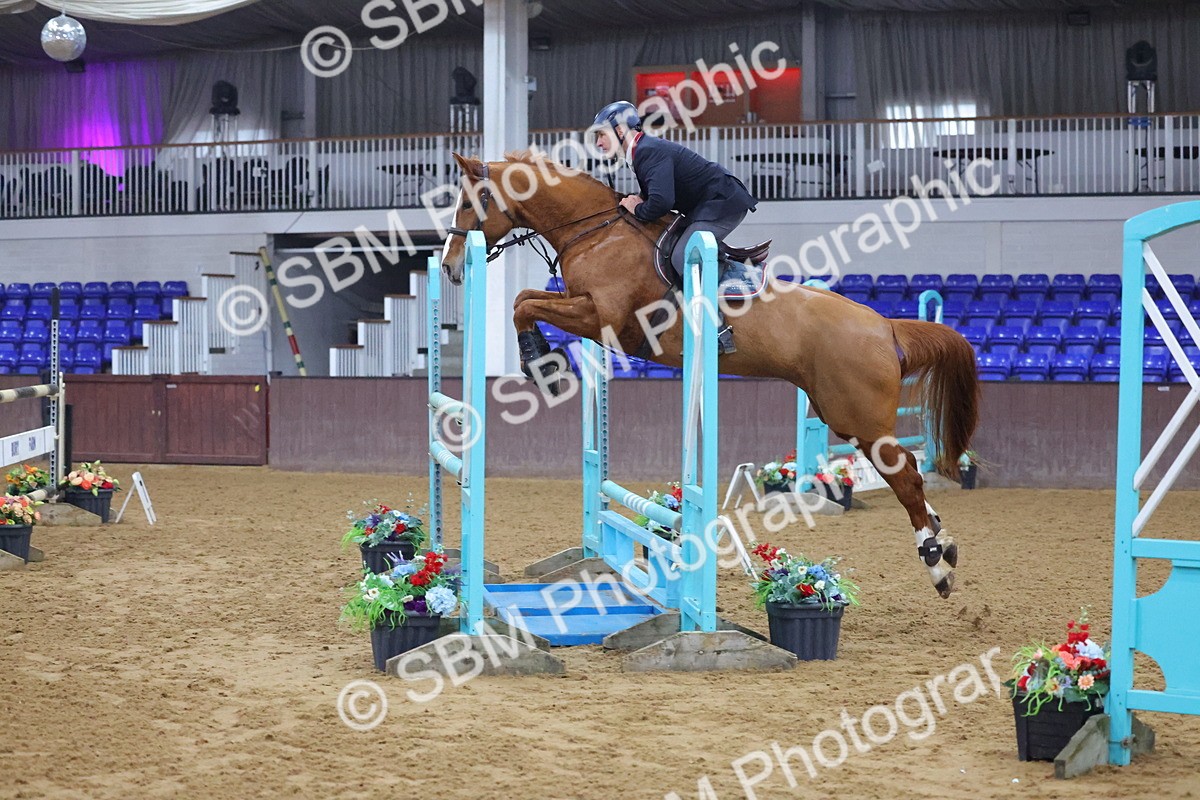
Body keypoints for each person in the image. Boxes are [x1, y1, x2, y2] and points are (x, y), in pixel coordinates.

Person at [592, 100, 757, 353]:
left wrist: (637, 208)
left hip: (723, 204)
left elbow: (661, 202)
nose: (598, 143)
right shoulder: (641, 152)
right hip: (708, 205)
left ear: (621, 130)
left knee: (683, 256)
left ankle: (718, 333)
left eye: (601, 135)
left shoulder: (647, 151)